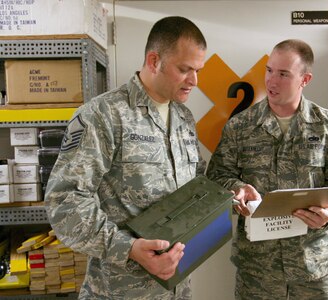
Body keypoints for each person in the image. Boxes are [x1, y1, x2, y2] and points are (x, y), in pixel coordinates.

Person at [45, 16, 207, 299]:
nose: (194, 80)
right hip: (120, 290)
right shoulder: (103, 115)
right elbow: (64, 203)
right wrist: (128, 248)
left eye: (198, 70)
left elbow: (198, 184)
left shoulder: (184, 118)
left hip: (177, 288)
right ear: (154, 61)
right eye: (185, 69)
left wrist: (232, 194)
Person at [206, 39, 328, 299]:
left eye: (283, 74)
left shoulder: (327, 126)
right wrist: (237, 190)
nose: (272, 81)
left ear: (305, 79)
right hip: (259, 273)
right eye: (269, 70)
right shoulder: (240, 127)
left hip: (317, 270)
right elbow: (216, 177)